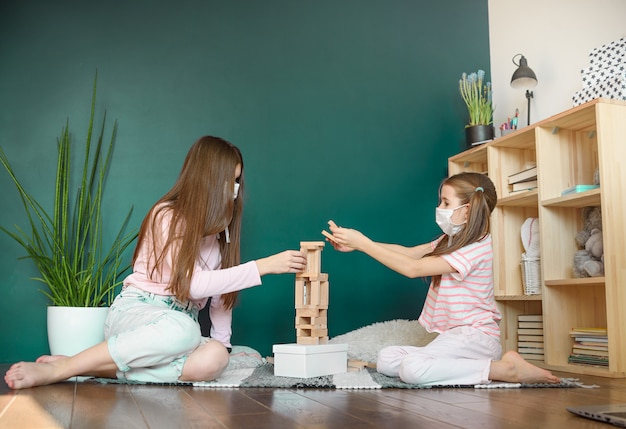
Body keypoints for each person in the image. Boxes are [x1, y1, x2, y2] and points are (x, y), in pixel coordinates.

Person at [5, 135, 306, 389]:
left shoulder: (218, 236)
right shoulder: (167, 216)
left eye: (238, 181)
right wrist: (263, 267)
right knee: (185, 330)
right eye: (230, 180)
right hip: (139, 313)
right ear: (209, 180)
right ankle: (64, 368)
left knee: (215, 357)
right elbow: (192, 285)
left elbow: (220, 299)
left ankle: (98, 368)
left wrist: (222, 344)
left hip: (177, 332)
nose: (235, 190)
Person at [323, 172, 560, 386]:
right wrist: (359, 246)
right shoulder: (449, 241)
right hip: (455, 337)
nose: (440, 207)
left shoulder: (476, 248)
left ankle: (503, 369)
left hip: (476, 338)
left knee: (413, 369)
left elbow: (413, 268)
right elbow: (409, 253)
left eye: (446, 203)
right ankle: (479, 366)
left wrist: (363, 242)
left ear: (467, 210)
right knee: (387, 359)